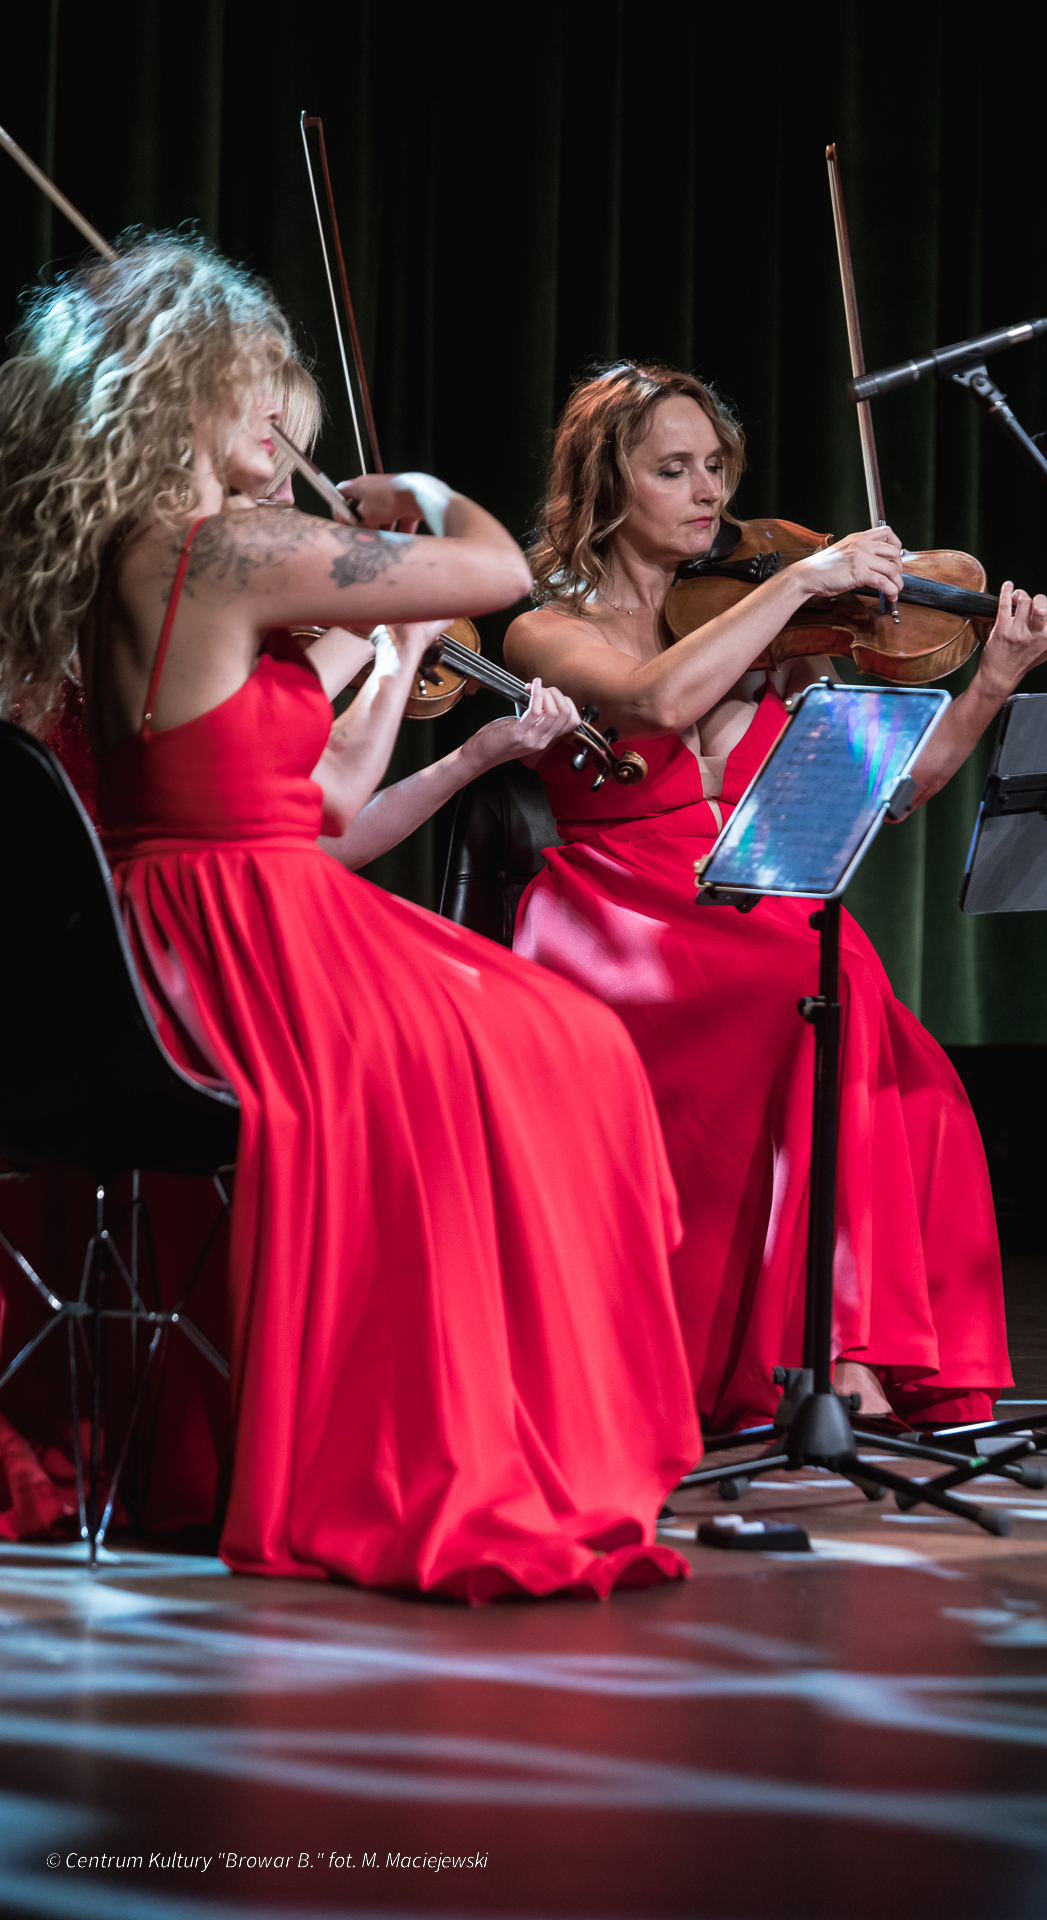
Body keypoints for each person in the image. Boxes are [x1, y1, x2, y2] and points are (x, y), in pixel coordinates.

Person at [0, 241, 701, 1599]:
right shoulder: (224, 549)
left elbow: (307, 785)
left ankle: (450, 1406)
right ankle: (452, 1429)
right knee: (558, 1048)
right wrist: (424, 497)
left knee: (535, 1041)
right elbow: (494, 574)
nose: (286, 433)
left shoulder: (138, 562)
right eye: (262, 397)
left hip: (166, 928)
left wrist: (381, 650)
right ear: (185, 393)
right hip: (240, 925)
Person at [501, 362, 1047, 1433]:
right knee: (820, 991)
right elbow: (654, 699)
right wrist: (802, 581)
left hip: (751, 892)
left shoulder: (769, 641)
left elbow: (890, 791)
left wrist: (992, 680)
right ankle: (825, 1363)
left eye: (715, 466)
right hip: (620, 912)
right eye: (672, 469)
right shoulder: (546, 631)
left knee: (909, 1066)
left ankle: (841, 1351)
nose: (707, 492)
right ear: (605, 483)